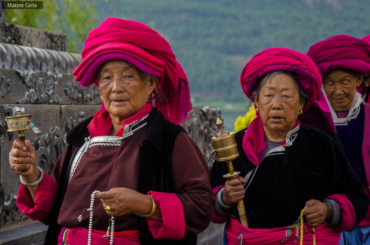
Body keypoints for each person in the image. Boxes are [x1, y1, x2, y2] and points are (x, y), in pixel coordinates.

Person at [9, 17, 215, 245]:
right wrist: (30, 174)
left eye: (128, 76)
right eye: (107, 77)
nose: (116, 87)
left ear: (152, 84)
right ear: (98, 85)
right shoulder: (82, 138)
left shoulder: (169, 140)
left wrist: (145, 205)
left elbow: (202, 206)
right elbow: (55, 206)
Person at [210, 47, 368, 245]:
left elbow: (357, 199)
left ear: (301, 103)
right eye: (268, 96)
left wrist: (327, 209)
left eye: (286, 96)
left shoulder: (321, 145)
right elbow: (206, 202)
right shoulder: (234, 147)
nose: (276, 104)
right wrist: (224, 198)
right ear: (256, 102)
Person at [307, 34, 370, 245]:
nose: (338, 91)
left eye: (345, 82)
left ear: (359, 80)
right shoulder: (313, 125)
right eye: (330, 83)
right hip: (330, 219)